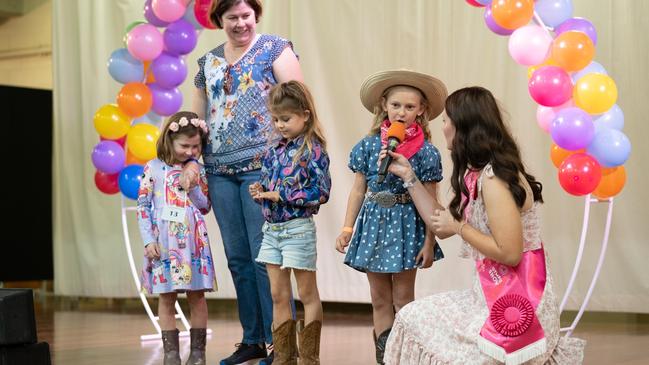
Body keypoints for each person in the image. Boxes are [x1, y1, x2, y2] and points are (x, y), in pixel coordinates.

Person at [382, 87, 586, 364]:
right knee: (411, 317)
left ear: (462, 127)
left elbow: (510, 252)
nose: (442, 127)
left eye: (446, 120)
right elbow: (441, 224)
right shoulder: (476, 173)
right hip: (488, 295)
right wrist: (409, 177)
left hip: (519, 302)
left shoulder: (495, 179)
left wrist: (459, 227)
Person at [191, 0, 303, 363]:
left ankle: (280, 342)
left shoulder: (274, 47)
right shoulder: (206, 62)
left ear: (256, 15)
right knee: (238, 258)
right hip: (219, 169)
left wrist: (298, 158)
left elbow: (299, 103)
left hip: (263, 166)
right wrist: (189, 158)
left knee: (265, 257)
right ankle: (252, 338)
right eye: (232, 18)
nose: (240, 24)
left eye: (246, 16)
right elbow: (197, 115)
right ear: (219, 20)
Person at [335, 70, 447, 365]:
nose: (402, 112)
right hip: (374, 225)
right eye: (396, 105)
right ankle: (384, 358)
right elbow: (358, 191)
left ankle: (405, 356)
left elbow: (432, 202)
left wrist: (429, 240)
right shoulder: (369, 146)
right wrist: (347, 227)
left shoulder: (427, 152)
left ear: (421, 111)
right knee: (380, 299)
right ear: (384, 105)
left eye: (410, 107)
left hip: (407, 226)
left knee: (403, 298)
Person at [249, 81, 331, 364]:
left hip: (298, 229)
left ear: (305, 115)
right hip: (272, 230)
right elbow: (268, 185)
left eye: (286, 119)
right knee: (276, 293)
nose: (280, 125)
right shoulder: (273, 152)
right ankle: (284, 357)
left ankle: (309, 357)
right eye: (275, 120)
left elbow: (321, 193)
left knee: (307, 292)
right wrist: (259, 191)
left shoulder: (313, 150)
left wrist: (280, 194)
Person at [138, 111, 215, 365]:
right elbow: (143, 207)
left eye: (196, 146)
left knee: (197, 296)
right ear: (169, 141)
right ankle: (170, 354)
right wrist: (149, 240)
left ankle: (198, 353)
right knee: (166, 296)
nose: (191, 151)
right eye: (184, 146)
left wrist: (192, 186)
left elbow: (204, 207)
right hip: (164, 244)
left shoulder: (198, 170)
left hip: (193, 244)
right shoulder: (153, 168)